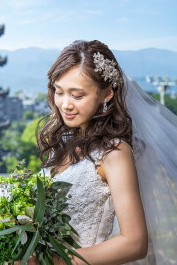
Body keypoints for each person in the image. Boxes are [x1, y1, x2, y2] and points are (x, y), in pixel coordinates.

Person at [22, 40, 177, 264]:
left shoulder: (114, 152)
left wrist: (52, 262)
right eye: (59, 92)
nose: (65, 105)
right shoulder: (65, 145)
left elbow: (135, 243)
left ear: (106, 94)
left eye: (77, 95)